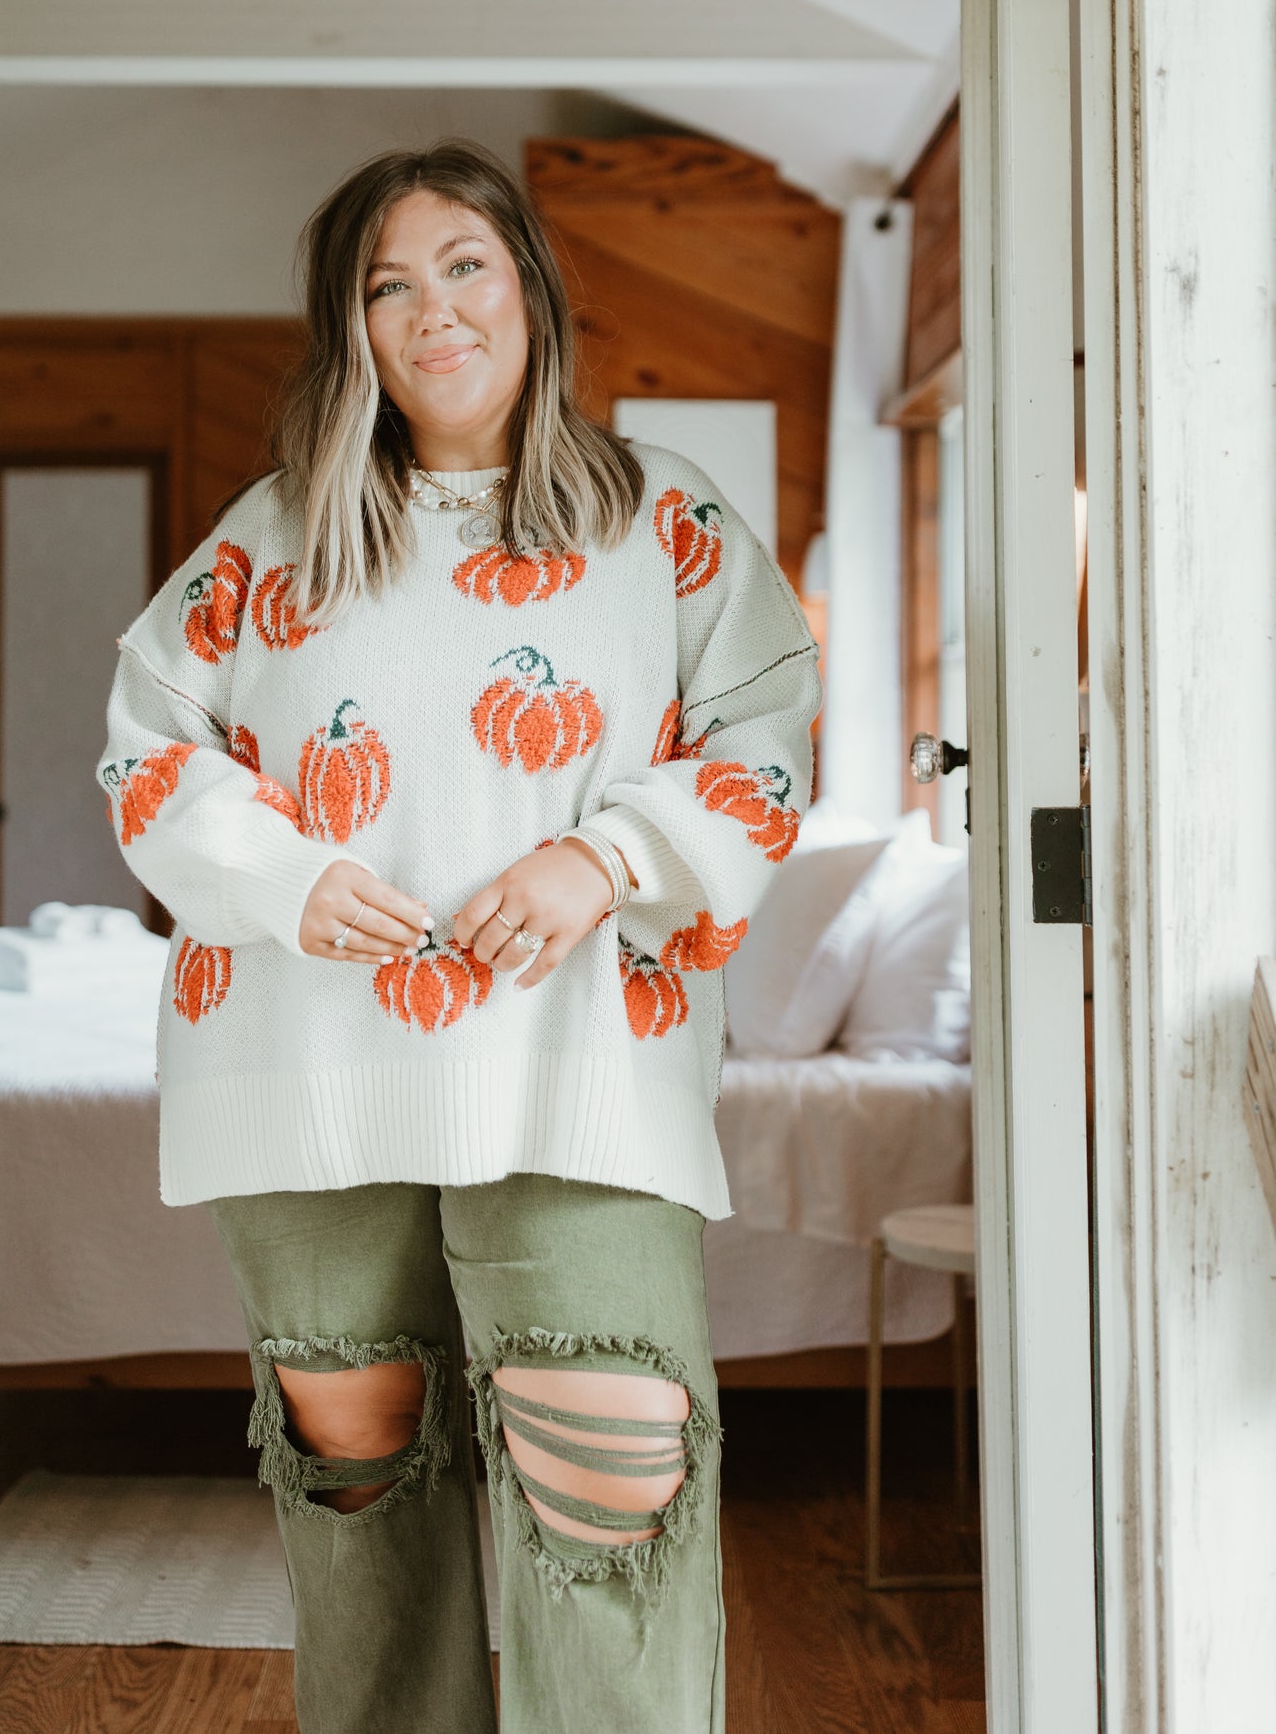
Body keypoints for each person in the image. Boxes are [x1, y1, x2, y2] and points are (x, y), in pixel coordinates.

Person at [98, 140, 820, 1734]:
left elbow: (769, 737)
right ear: (350, 327)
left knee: (610, 1473)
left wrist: (605, 855)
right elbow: (146, 746)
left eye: (465, 266)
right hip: (305, 1062)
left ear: (532, 289)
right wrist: (280, 877)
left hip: (584, 1063)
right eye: (388, 284)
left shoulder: (664, 520)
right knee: (359, 1480)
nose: (434, 310)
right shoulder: (273, 534)